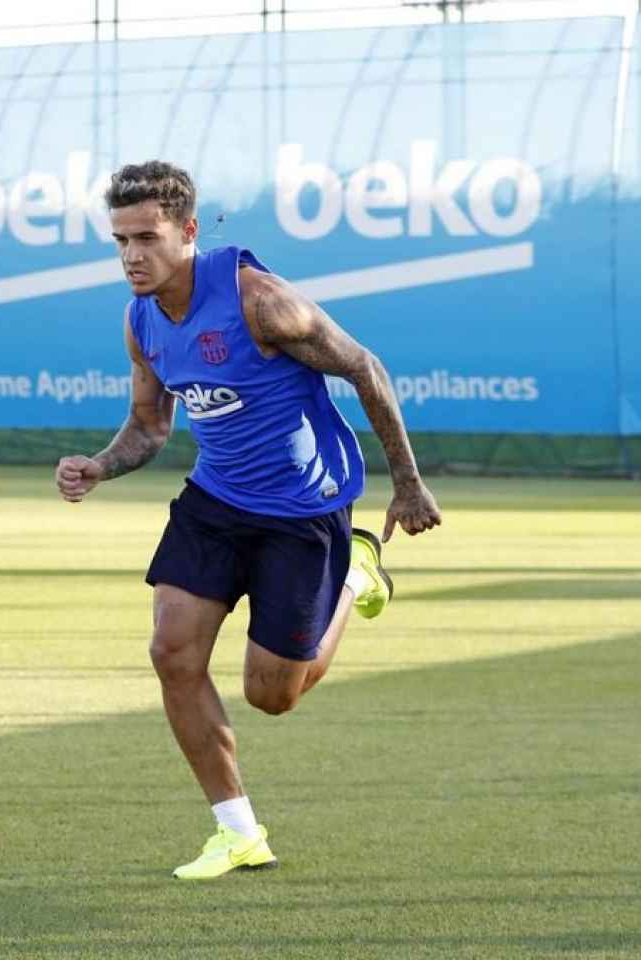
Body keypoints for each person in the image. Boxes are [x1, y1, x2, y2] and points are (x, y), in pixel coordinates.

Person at [55, 160, 442, 880]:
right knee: (171, 651)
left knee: (273, 696)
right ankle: (237, 831)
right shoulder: (141, 320)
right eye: (119, 240)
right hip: (217, 501)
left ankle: (354, 575)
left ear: (188, 233)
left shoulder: (259, 301)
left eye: (147, 237)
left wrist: (408, 487)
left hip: (302, 509)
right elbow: (148, 424)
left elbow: (367, 369)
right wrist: (101, 466)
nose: (132, 256)